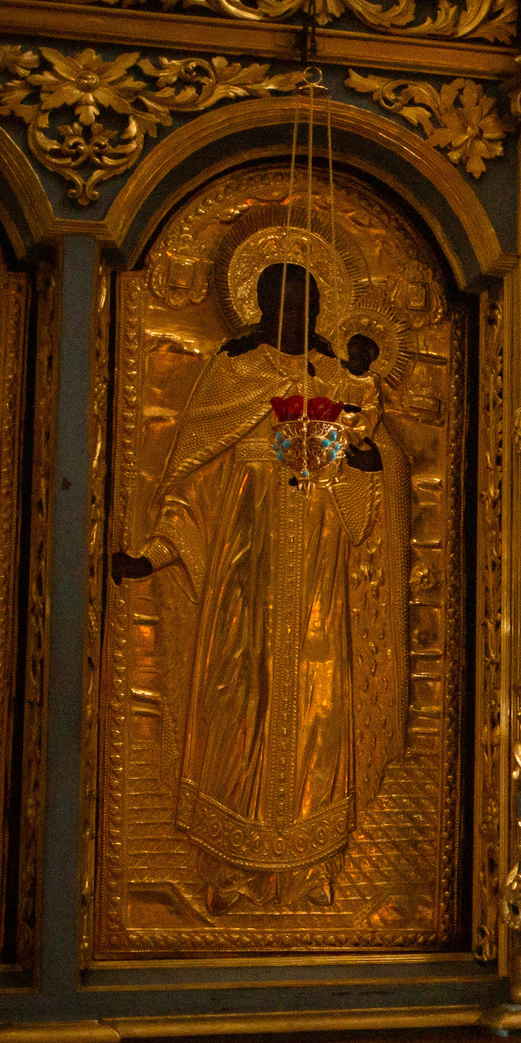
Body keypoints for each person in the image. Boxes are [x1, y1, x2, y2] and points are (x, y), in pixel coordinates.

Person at [110, 261, 406, 911]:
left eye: (305, 305)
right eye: (281, 304)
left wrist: (359, 463)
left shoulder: (337, 379)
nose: (293, 317)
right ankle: (234, 871)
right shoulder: (232, 372)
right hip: (244, 572)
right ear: (260, 307)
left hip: (317, 582)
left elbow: (362, 481)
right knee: (239, 707)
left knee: (316, 711)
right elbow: (190, 482)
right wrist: (157, 553)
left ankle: (310, 870)